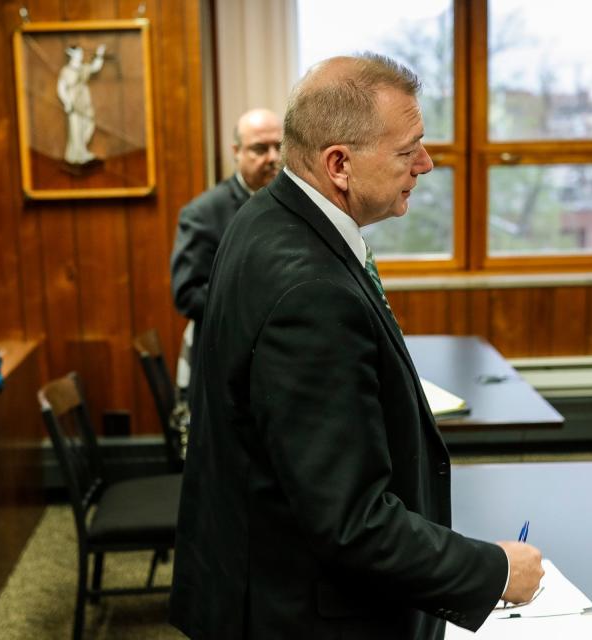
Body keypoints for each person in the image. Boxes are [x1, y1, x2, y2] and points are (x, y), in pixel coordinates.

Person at [169, 53, 543, 639]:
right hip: (302, 610)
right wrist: (491, 571)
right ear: (338, 164)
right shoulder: (311, 293)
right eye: (407, 150)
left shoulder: (266, 215)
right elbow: (349, 520)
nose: (426, 163)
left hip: (257, 571)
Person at [169, 107, 282, 364]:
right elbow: (187, 296)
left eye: (279, 146)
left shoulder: (292, 204)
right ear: (236, 152)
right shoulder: (202, 213)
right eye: (260, 149)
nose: (273, 157)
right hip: (226, 357)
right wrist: (258, 293)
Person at [56, 44, 106, 165]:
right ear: (72, 55)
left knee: (89, 124)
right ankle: (77, 156)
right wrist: (67, 102)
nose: (81, 55)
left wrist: (99, 54)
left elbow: (95, 67)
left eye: (81, 53)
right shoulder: (66, 70)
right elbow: (61, 87)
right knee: (76, 129)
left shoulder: (83, 67)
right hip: (73, 101)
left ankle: (82, 150)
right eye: (79, 53)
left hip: (85, 100)